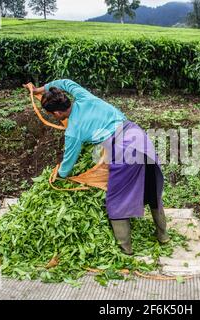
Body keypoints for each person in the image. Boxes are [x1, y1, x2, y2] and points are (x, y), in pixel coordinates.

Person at [24, 79, 169, 255]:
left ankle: (126, 250)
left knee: (117, 199)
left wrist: (58, 177)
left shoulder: (73, 131)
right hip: (137, 135)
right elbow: (65, 82)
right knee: (151, 188)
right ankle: (163, 236)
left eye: (52, 115)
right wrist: (40, 89)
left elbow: (67, 165)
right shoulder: (83, 96)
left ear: (56, 113)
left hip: (122, 150)